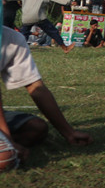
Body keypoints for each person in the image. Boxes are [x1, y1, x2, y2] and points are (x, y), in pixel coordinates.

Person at [1, 26, 92, 171]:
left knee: (36, 128)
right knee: (4, 157)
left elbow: (36, 87)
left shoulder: (12, 39)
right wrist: (8, 140)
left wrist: (68, 132)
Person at [6, 0, 72, 54]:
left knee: (23, 34)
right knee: (53, 31)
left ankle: (16, 50)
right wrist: (69, 1)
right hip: (38, 17)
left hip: (26, 17)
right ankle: (65, 48)